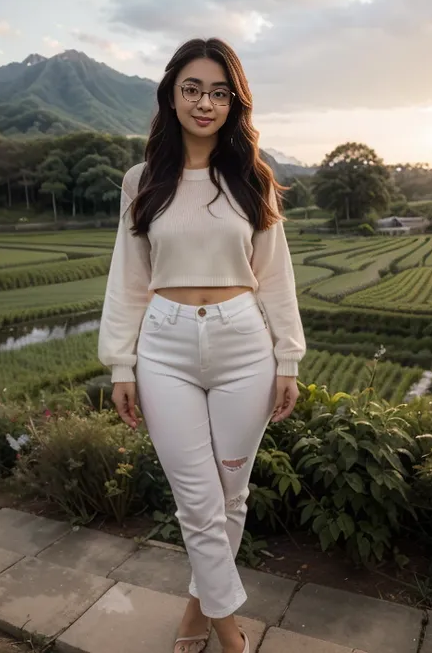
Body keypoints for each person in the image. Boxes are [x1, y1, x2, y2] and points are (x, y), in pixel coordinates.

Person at [98, 37, 306, 653]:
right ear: (171, 95)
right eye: (193, 88)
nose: (205, 102)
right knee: (197, 498)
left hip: (245, 346)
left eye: (219, 92)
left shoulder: (251, 179)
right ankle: (229, 634)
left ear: (234, 103)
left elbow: (274, 274)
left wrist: (287, 357)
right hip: (164, 347)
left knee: (231, 492)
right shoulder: (142, 181)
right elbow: (128, 277)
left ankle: (194, 615)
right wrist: (121, 363)